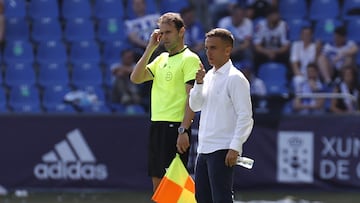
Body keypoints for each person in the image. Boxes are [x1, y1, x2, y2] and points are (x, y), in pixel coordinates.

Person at [130, 12, 201, 191]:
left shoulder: (190, 59)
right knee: (158, 186)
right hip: (157, 125)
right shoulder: (161, 58)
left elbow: (192, 98)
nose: (164, 37)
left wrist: (183, 129)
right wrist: (150, 48)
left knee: (174, 188)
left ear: (181, 31)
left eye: (168, 32)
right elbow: (136, 78)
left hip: (175, 127)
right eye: (161, 32)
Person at [189, 28, 254, 203]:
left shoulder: (236, 79)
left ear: (227, 50)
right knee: (202, 198)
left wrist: (235, 147)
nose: (208, 52)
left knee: (221, 198)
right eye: (207, 47)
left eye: (213, 48)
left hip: (222, 148)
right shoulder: (208, 76)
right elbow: (195, 105)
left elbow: (245, 116)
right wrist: (199, 83)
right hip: (203, 148)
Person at [253, 6, 290, 72]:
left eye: (277, 15)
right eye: (274, 15)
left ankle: (287, 77)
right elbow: (257, 46)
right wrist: (267, 52)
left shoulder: (283, 25)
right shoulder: (260, 26)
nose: (276, 17)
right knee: (255, 56)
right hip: (265, 51)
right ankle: (256, 76)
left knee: (287, 56)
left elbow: (286, 46)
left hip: (278, 52)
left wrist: (275, 52)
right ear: (268, 16)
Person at [290, 26, 320, 93]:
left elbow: (314, 64)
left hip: (312, 75)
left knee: (315, 85)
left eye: (308, 34)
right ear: (301, 35)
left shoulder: (315, 46)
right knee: (297, 80)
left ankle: (313, 102)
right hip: (301, 74)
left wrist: (317, 51)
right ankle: (298, 101)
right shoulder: (296, 45)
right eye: (304, 34)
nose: (306, 36)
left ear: (311, 35)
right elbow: (294, 63)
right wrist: (300, 74)